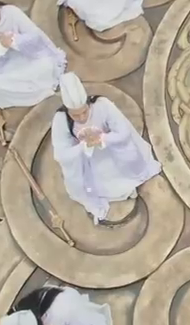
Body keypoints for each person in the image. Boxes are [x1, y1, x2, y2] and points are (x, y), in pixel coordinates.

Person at [52, 72, 161, 225]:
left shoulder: (102, 105)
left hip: (111, 150)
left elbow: (123, 132)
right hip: (87, 159)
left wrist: (103, 138)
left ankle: (129, 181)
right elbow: (61, 154)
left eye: (85, 112)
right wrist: (83, 147)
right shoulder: (61, 119)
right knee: (81, 183)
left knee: (129, 157)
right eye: (76, 115)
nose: (82, 118)